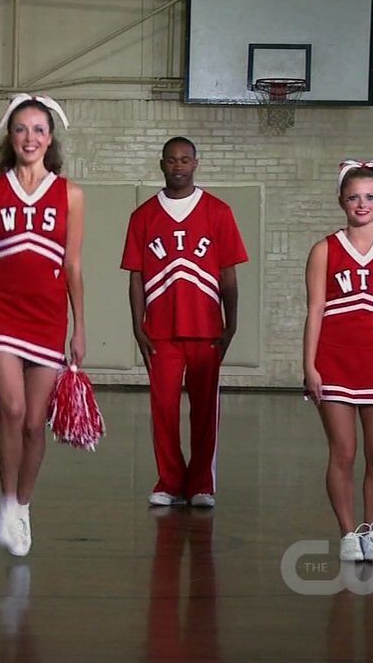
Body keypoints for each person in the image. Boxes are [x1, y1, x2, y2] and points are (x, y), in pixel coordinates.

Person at [0, 94, 85, 557]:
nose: (29, 138)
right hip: (0, 313)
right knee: (11, 409)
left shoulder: (70, 194)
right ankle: (6, 498)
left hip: (48, 317)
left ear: (50, 138)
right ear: (9, 137)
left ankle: (23, 506)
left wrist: (80, 327)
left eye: (38, 130)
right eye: (20, 129)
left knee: (35, 423)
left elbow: (73, 265)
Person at [121, 137, 248, 509]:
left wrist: (231, 324)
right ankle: (170, 481)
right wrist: (137, 326)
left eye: (185, 160)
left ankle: (201, 484)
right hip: (160, 331)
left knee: (205, 411)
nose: (178, 166)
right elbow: (135, 276)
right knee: (163, 410)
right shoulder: (143, 216)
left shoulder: (218, 211)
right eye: (172, 160)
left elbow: (228, 275)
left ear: (196, 163)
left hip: (207, 329)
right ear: (162, 164)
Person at [303, 160, 373, 563]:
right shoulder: (324, 249)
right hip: (334, 360)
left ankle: (372, 532)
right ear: (341, 202)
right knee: (344, 452)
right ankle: (348, 532)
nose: (361, 204)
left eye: (369, 197)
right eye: (353, 197)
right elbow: (315, 309)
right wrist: (309, 365)